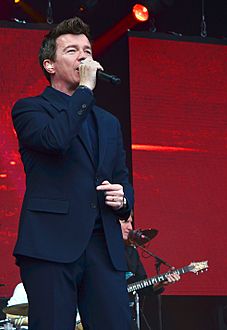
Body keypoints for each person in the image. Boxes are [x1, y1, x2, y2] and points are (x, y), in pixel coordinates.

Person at [11, 16, 134, 330]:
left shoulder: (107, 122)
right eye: (73, 51)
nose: (84, 56)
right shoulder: (29, 109)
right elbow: (55, 140)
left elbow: (121, 175)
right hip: (50, 245)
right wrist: (84, 91)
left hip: (102, 246)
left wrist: (123, 201)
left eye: (88, 50)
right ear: (50, 65)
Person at [120, 213, 180, 329]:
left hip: (126, 315)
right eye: (125, 222)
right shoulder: (97, 251)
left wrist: (160, 283)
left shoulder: (131, 252)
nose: (130, 227)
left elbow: (142, 286)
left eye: (131, 222)